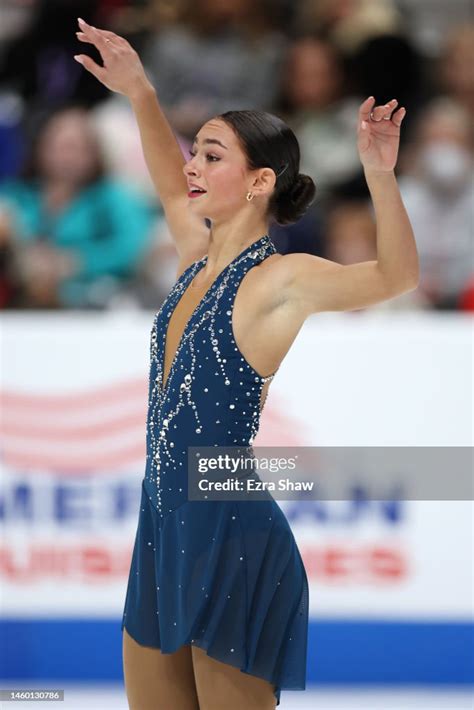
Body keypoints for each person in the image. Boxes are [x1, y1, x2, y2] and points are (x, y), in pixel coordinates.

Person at [74, 17, 419, 709]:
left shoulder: (283, 279)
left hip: (229, 532)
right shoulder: (193, 254)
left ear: (260, 181)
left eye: (210, 155)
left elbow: (394, 277)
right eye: (194, 153)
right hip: (163, 523)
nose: (191, 167)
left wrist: (380, 174)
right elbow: (169, 189)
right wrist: (140, 91)